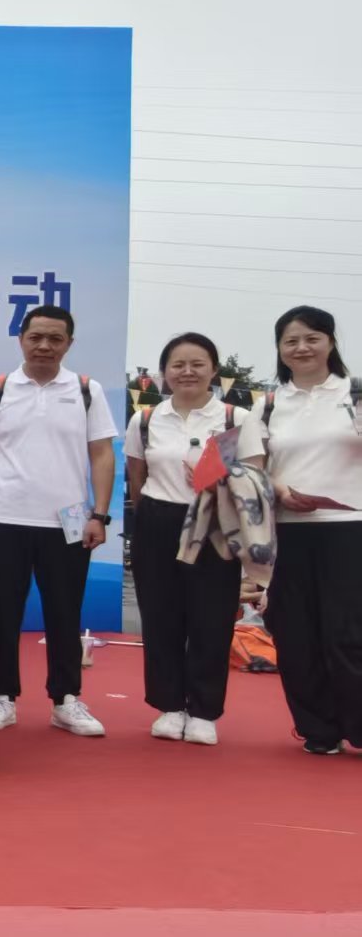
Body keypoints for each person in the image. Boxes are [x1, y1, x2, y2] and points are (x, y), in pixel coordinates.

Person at [0, 305, 117, 737]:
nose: (45, 346)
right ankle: (2, 695)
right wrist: (5, 488)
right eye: (36, 337)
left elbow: (101, 454)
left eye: (55, 338)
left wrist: (98, 514)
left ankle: (66, 699)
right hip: (6, 518)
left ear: (69, 343)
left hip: (69, 521)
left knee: (64, 612)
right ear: (21, 339)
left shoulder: (86, 390)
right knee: (4, 611)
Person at [238, 305, 362, 755]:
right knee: (294, 633)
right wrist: (280, 490)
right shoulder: (268, 405)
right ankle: (318, 729)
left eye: (312, 338)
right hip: (288, 531)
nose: (301, 348)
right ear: (279, 349)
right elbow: (252, 468)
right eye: (291, 341)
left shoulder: (355, 393)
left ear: (330, 342)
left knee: (348, 632)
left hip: (349, 527)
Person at [127, 332, 247, 746]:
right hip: (158, 520)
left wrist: (217, 485)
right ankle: (169, 706)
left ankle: (204, 711)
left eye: (198, 364)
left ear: (214, 369)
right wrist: (155, 515)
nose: (187, 372)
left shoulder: (234, 418)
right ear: (165, 372)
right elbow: (137, 477)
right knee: (161, 616)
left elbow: (254, 480)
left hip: (216, 523)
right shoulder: (145, 419)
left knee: (212, 617)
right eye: (178, 365)